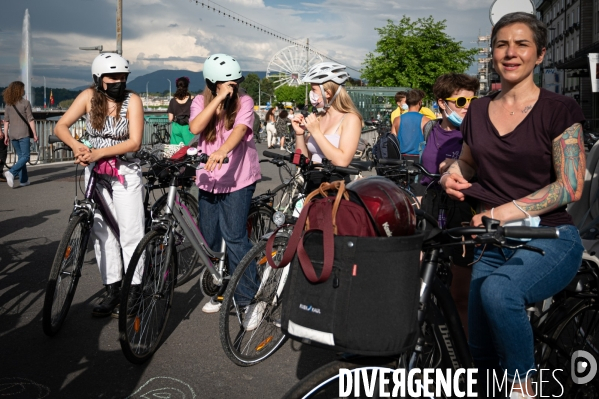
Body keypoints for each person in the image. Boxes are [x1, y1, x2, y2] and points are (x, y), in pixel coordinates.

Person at [441, 13, 585, 398]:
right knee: (481, 355)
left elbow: (570, 186)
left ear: (540, 54)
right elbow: (469, 160)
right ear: (492, 52)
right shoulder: (476, 110)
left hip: (552, 237)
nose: (511, 52)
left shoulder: (559, 110)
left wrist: (502, 212)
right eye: (502, 43)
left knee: (500, 293)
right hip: (494, 241)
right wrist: (451, 173)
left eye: (522, 44)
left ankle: (525, 390)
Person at [54, 53, 145, 318]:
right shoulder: (87, 97)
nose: (118, 81)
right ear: (98, 79)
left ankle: (135, 291)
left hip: (125, 172)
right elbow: (61, 126)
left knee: (130, 232)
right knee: (102, 233)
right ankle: (113, 289)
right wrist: (77, 145)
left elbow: (134, 142)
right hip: (95, 173)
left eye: (122, 76)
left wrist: (97, 153)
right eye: (112, 77)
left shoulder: (133, 101)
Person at [188, 54, 262, 327]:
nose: (233, 88)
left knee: (234, 236)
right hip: (208, 178)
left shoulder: (245, 101)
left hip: (238, 178)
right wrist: (217, 99)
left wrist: (221, 150)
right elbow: (195, 126)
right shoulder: (200, 101)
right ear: (212, 83)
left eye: (236, 83)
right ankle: (222, 288)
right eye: (226, 84)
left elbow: (240, 130)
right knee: (208, 238)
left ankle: (247, 300)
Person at [419, 73, 479, 334]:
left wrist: (452, 168)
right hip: (431, 207)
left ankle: (465, 356)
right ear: (442, 103)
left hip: (462, 209)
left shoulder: (476, 132)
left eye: (472, 101)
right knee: (421, 280)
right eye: (462, 100)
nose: (467, 106)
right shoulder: (430, 128)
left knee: (459, 292)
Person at [292, 62, 362, 167]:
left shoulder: (350, 119)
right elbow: (301, 161)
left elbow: (342, 162)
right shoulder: (319, 117)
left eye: (313, 90)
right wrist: (299, 134)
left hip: (333, 182)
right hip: (311, 180)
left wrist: (316, 132)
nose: (311, 93)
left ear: (328, 93)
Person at [2, 81, 38, 188]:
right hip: (23, 133)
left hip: (12, 134)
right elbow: (31, 120)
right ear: (19, 90)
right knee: (26, 157)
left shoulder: (8, 104)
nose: (24, 90)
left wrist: (6, 135)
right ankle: (12, 172)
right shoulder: (25, 103)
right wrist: (35, 134)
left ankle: (24, 180)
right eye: (23, 88)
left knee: (21, 157)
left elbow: (6, 121)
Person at [392, 89, 430, 162]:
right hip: (420, 160)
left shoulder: (397, 120)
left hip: (401, 159)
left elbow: (393, 141)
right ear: (420, 102)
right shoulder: (426, 120)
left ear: (406, 102)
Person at [167, 76, 194, 145]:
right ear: (187, 86)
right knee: (189, 149)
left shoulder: (173, 101)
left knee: (175, 150)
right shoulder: (192, 99)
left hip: (176, 127)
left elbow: (170, 118)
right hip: (188, 127)